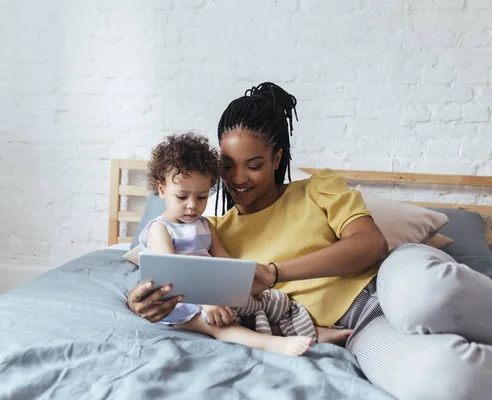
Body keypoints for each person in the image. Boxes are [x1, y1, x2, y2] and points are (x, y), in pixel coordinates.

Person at [128, 82, 492, 399]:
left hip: (387, 279)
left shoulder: (318, 187)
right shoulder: (212, 232)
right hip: (355, 329)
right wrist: (141, 301)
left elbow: (370, 245)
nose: (239, 178)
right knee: (449, 381)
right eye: (227, 165)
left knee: (428, 295)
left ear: (276, 159)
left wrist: (273, 272)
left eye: (253, 164)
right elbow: (168, 269)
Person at [139, 133, 350, 356]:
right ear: (162, 189)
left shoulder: (205, 225)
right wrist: (206, 302)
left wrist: (245, 284)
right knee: (219, 326)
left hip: (211, 292)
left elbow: (225, 260)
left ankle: (308, 330)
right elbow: (174, 276)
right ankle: (274, 344)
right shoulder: (160, 229)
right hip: (182, 302)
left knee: (271, 301)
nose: (192, 206)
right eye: (182, 197)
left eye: (201, 197)